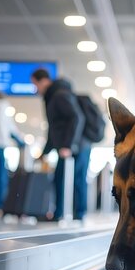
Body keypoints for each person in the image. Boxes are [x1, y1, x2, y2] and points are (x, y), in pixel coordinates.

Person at [31, 69, 91, 221]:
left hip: (77, 146)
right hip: (70, 146)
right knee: (60, 177)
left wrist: (68, 145)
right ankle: (59, 213)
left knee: (76, 179)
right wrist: (44, 153)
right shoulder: (52, 96)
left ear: (43, 81)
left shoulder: (60, 95)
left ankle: (78, 215)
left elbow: (77, 117)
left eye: (35, 84)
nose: (35, 89)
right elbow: (54, 129)